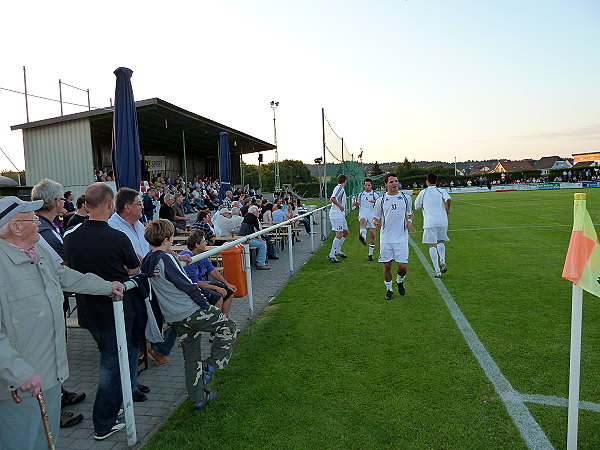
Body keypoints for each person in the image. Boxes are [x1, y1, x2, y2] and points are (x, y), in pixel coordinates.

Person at [0, 196, 124, 449]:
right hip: (19, 385)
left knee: (48, 440)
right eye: (32, 219)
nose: (39, 223)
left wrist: (106, 286)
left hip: (51, 375)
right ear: (15, 227)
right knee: (22, 443)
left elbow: (64, 276)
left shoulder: (38, 250)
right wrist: (20, 372)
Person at [63, 183, 141, 441]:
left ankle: (114, 408)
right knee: (112, 366)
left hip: (88, 311)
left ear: (87, 204)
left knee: (111, 360)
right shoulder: (118, 237)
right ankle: (104, 422)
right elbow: (134, 269)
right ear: (110, 204)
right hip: (115, 311)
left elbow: (71, 268)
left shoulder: (71, 236)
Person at [140, 219, 238, 410]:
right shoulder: (166, 259)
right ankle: (211, 366)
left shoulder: (149, 260)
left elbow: (158, 264)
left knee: (191, 358)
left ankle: (199, 398)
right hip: (191, 311)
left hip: (174, 317)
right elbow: (186, 286)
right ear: (168, 239)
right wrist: (206, 306)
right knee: (229, 327)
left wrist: (177, 258)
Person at [31, 178, 87, 428]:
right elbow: (63, 264)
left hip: (56, 298)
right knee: (48, 353)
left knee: (55, 350)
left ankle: (59, 395)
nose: (66, 201)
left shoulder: (49, 225)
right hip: (47, 301)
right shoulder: (42, 230)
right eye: (63, 198)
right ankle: (52, 409)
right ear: (55, 201)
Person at [373, 173, 416, 300]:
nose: (394, 184)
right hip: (386, 238)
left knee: (403, 266)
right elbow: (375, 216)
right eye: (391, 182)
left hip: (401, 237)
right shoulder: (380, 201)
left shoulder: (406, 198)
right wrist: (375, 222)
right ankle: (389, 289)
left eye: (396, 181)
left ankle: (399, 281)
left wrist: (410, 222)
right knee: (387, 265)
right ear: (386, 184)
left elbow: (411, 214)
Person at [179, 231, 237, 315]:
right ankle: (215, 324)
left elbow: (212, 269)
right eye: (204, 241)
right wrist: (216, 288)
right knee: (218, 298)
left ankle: (224, 320)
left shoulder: (201, 254)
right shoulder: (187, 258)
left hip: (202, 282)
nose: (206, 243)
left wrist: (227, 284)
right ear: (197, 245)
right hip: (192, 288)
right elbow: (195, 282)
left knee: (230, 292)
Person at [414, 172, 452, 277]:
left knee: (432, 244)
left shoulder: (423, 192)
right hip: (443, 221)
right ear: (436, 181)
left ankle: (437, 270)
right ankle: (443, 260)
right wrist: (448, 209)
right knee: (440, 241)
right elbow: (448, 199)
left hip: (430, 222)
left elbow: (416, 206)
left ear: (427, 181)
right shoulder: (441, 191)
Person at [353, 178, 380, 261]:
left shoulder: (375, 194)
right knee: (362, 222)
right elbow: (358, 203)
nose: (367, 187)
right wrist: (355, 203)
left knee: (373, 234)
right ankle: (363, 237)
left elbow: (380, 203)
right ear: (364, 185)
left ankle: (370, 254)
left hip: (372, 213)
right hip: (363, 212)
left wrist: (375, 201)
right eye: (366, 185)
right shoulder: (361, 194)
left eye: (369, 185)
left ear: (371, 185)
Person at [328, 174, 349, 263]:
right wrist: (340, 206)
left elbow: (331, 199)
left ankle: (338, 250)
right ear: (345, 181)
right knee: (339, 234)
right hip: (336, 214)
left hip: (340, 214)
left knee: (345, 232)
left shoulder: (340, 188)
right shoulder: (339, 188)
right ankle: (331, 254)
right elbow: (332, 199)